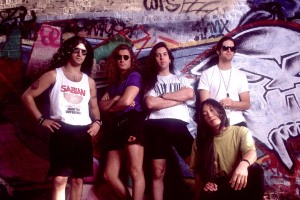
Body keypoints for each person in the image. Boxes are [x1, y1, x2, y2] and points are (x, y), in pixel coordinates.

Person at [22, 36, 101, 200]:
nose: (80, 54)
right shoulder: (53, 75)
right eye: (76, 50)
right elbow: (27, 96)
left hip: (83, 132)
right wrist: (41, 119)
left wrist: (98, 123)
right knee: (59, 179)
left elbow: (94, 107)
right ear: (68, 51)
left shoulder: (89, 82)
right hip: (62, 130)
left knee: (78, 180)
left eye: (84, 52)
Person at [143, 42, 194, 200]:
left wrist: (164, 96)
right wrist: (178, 99)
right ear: (155, 60)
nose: (161, 58)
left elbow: (189, 94)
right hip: (156, 127)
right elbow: (150, 103)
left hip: (178, 125)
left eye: (164, 54)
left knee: (197, 165)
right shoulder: (150, 81)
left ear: (170, 58)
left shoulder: (180, 78)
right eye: (158, 55)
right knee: (158, 171)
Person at [190, 98, 264, 200]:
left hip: (239, 180)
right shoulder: (200, 141)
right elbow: (197, 170)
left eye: (212, 110)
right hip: (218, 184)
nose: (210, 115)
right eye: (205, 114)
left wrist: (243, 165)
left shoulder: (240, 131)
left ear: (220, 110)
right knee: (207, 193)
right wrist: (205, 183)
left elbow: (251, 152)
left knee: (255, 169)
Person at [98, 44, 145, 200]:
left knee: (135, 169)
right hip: (115, 125)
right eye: (119, 57)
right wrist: (115, 99)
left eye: (126, 57)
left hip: (132, 121)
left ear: (131, 59)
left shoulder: (135, 76)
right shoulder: (113, 84)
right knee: (109, 174)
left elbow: (125, 102)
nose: (122, 60)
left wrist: (112, 106)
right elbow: (101, 105)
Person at [197, 36, 250, 126]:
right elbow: (204, 104)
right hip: (216, 123)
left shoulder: (241, 75)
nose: (229, 50)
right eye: (225, 48)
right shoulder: (206, 74)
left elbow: (247, 104)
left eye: (232, 48)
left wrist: (232, 104)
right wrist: (218, 107)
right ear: (218, 51)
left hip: (237, 121)